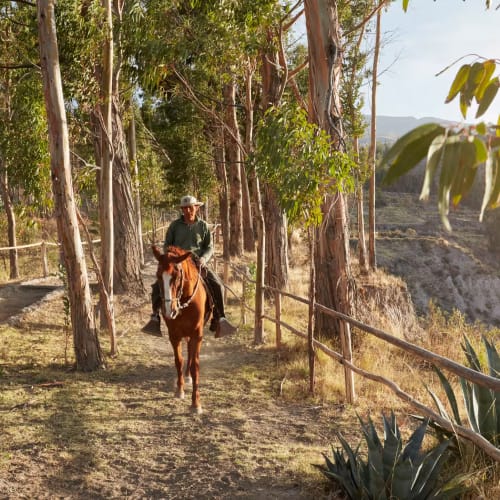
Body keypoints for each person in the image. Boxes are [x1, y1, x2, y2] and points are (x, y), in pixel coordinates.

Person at [142, 194, 237, 338]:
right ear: (182, 209)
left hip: (198, 263)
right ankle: (155, 317)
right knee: (157, 286)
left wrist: (204, 259)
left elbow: (209, 247)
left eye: (190, 207)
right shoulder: (175, 225)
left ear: (196, 208)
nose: (188, 211)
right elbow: (167, 244)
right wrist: (172, 256)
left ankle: (220, 318)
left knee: (217, 285)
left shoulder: (203, 226)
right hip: (178, 263)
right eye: (185, 208)